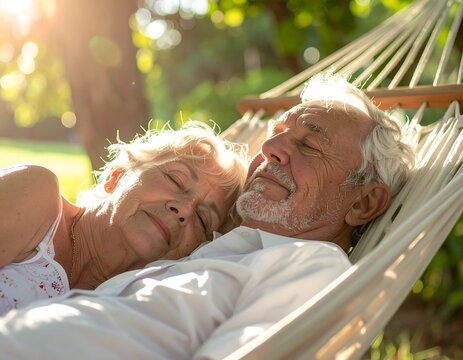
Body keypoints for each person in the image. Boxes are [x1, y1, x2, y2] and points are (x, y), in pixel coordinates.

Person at [0, 74, 415, 359]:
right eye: (275, 136)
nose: (270, 151)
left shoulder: (311, 267)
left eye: (308, 145)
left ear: (362, 204)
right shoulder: (206, 254)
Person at [0, 121, 248, 315]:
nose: (184, 210)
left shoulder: (141, 309)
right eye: (176, 179)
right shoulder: (37, 196)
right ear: (117, 175)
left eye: (203, 219)